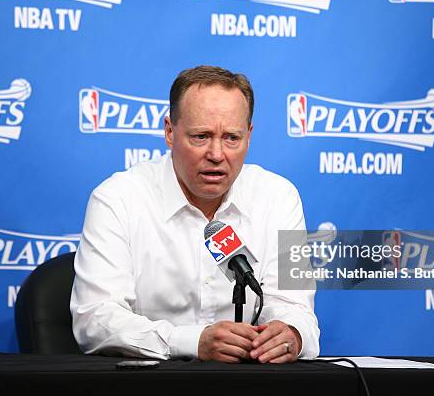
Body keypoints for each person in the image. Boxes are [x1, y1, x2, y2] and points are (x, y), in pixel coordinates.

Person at [70, 65, 319, 363]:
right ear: (170, 132)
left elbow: (297, 308)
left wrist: (290, 333)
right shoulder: (117, 199)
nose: (216, 154)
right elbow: (95, 318)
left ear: (249, 136)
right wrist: (190, 341)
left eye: (232, 138)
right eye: (201, 137)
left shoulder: (279, 197)